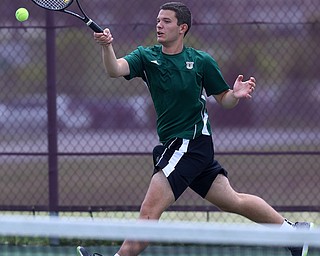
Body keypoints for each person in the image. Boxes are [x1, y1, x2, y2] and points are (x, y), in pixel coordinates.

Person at [77, 2, 311, 256]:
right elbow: (115, 69)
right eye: (158, 20)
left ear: (182, 28)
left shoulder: (201, 61)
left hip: (189, 143)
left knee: (148, 214)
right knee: (234, 200)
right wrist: (106, 46)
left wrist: (235, 93)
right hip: (183, 146)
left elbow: (225, 100)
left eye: (167, 21)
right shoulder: (146, 56)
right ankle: (294, 234)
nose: (159, 25)